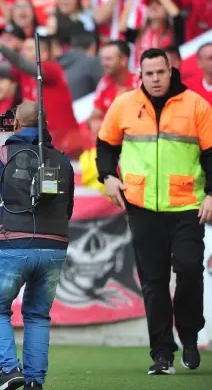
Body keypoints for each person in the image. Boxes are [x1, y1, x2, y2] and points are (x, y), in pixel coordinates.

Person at [96, 48, 212, 375]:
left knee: (189, 269)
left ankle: (189, 334)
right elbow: (105, 144)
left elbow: (211, 154)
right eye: (149, 74)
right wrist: (107, 177)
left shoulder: (197, 106)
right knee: (154, 281)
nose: (155, 79)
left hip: (187, 206)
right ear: (141, 75)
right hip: (142, 206)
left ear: (171, 70)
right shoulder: (124, 105)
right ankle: (162, 353)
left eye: (161, 72)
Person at [0, 100, 74, 390]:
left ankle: (10, 370)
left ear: (15, 124)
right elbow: (67, 208)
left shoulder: (1, 154)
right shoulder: (64, 160)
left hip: (14, 244)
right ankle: (35, 381)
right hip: (55, 245)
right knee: (37, 314)